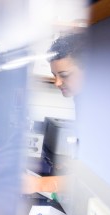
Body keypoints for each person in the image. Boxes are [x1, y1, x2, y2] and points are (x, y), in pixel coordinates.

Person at [23, 33, 86, 194]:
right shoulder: (81, 98)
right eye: (54, 75)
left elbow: (97, 183)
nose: (57, 82)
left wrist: (39, 184)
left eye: (64, 75)